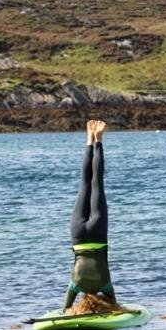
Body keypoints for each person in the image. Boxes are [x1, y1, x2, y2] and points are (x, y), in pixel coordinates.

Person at [64, 120, 118, 311]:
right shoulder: (75, 286)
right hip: (77, 234)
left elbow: (115, 305)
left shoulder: (106, 286)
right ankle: (89, 138)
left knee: (96, 183)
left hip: (97, 231)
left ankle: (98, 139)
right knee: (85, 185)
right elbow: (66, 309)